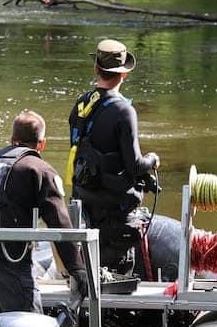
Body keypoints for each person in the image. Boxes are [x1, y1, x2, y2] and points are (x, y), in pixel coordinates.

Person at [0, 110, 89, 317]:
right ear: (42, 144)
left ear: (12, 139)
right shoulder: (40, 170)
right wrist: (77, 268)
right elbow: (59, 222)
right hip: (11, 261)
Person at [67, 39, 160, 274]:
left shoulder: (82, 104)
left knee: (91, 268)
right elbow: (135, 164)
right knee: (114, 276)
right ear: (123, 75)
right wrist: (153, 159)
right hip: (114, 213)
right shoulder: (124, 111)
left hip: (85, 206)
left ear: (96, 68)